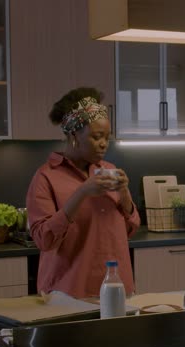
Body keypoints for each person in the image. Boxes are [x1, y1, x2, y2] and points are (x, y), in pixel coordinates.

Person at [26, 87, 140, 298]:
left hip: (116, 288)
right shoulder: (46, 177)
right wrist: (81, 193)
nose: (104, 144)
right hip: (68, 291)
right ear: (73, 135)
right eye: (97, 137)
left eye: (107, 137)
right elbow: (44, 240)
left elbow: (130, 230)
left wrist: (124, 194)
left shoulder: (108, 170)